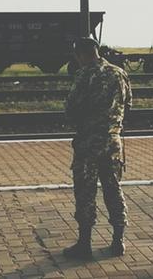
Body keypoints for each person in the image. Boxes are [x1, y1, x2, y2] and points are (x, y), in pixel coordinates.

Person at [63, 37, 132, 259]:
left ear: (79, 54)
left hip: (89, 144)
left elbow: (71, 109)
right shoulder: (119, 72)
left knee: (86, 192)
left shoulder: (84, 74)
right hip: (113, 142)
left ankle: (84, 245)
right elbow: (128, 104)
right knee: (113, 188)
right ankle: (118, 241)